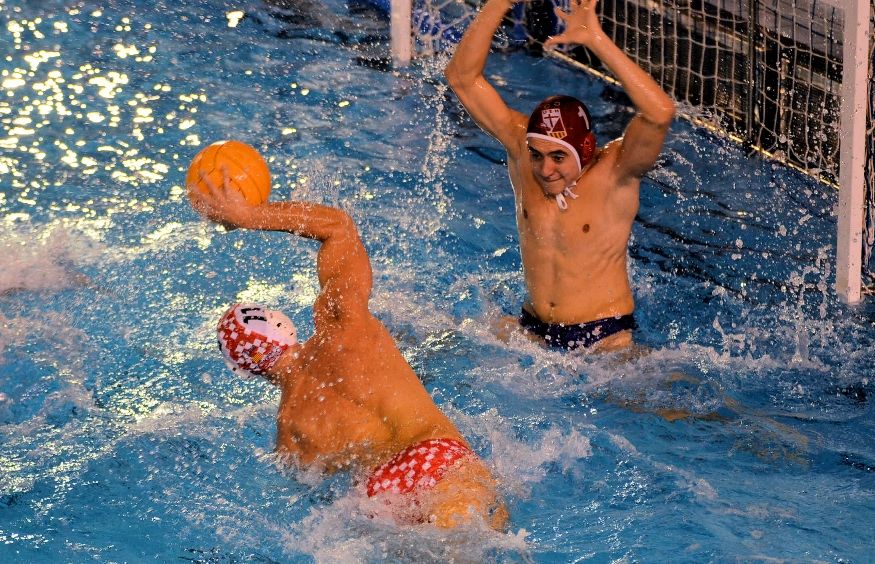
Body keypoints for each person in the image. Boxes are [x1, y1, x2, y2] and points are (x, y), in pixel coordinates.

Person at [188, 171, 507, 530]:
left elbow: (318, 497)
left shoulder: (289, 434)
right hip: (433, 455)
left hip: (379, 497)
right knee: (476, 541)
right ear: (282, 324)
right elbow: (338, 228)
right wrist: (248, 216)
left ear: (243, 370)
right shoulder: (341, 323)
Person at [445, 0, 676, 351]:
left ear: (584, 152)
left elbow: (659, 113)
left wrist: (596, 40)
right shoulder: (520, 147)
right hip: (532, 327)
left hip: (603, 338)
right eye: (537, 156)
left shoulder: (616, 172)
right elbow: (461, 78)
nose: (544, 169)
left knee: (662, 404)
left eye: (558, 157)